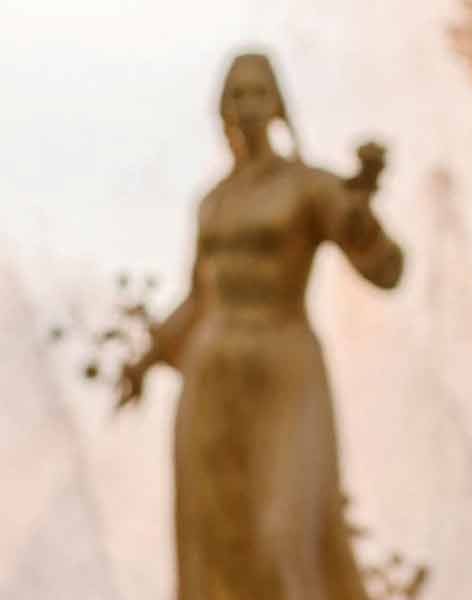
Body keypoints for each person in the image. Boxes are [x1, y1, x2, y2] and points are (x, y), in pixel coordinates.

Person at [118, 53, 403, 600]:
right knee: (215, 542)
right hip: (210, 377)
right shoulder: (212, 201)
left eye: (257, 93)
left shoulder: (311, 186)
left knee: (285, 532)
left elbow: (386, 271)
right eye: (236, 94)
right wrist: (146, 359)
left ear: (277, 103)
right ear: (222, 107)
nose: (247, 105)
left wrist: (362, 211)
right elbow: (199, 297)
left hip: (285, 369)